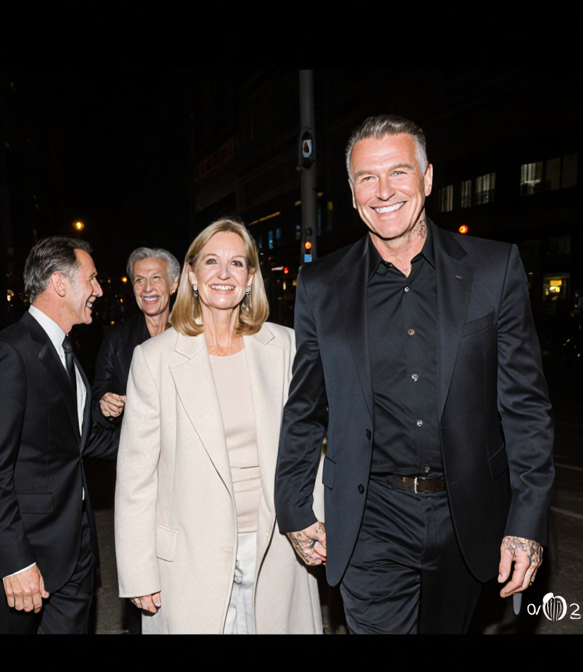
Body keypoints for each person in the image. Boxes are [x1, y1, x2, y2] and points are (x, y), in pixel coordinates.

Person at [275, 115, 555, 634]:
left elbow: (525, 408)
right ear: (353, 193)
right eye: (366, 178)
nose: (383, 192)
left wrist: (526, 523)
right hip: (369, 518)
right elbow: (305, 408)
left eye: (398, 173)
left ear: (427, 178)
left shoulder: (495, 269)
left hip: (467, 511)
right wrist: (292, 506)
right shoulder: (321, 286)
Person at [115, 219, 323, 634]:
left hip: (276, 550)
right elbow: (137, 477)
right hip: (190, 560)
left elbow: (310, 446)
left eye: (237, 263)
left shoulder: (284, 346)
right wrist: (139, 570)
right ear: (191, 276)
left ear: (249, 279)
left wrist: (317, 521)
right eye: (211, 261)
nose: (224, 274)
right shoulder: (154, 358)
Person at [0, 236, 112, 634]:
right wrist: (16, 561)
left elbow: (82, 441)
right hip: (31, 557)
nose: (99, 290)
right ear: (60, 284)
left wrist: (158, 440)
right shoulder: (11, 352)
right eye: (91, 279)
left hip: (75, 546)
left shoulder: (67, 350)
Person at [92, 247, 180, 457]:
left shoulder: (194, 336)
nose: (147, 288)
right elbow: (98, 395)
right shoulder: (117, 339)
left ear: (173, 285)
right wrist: (105, 405)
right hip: (139, 459)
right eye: (140, 280)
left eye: (156, 278)